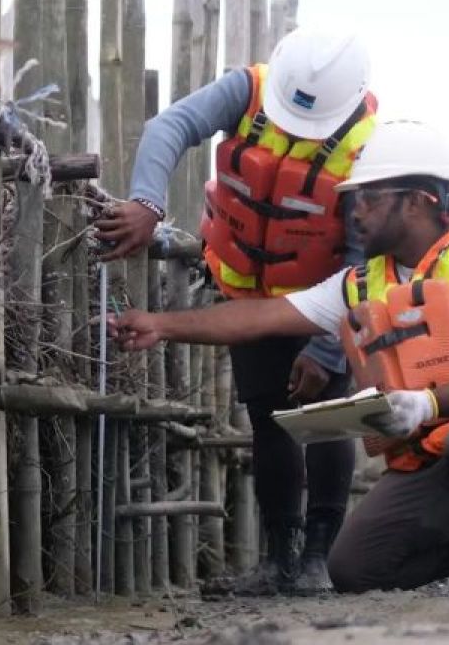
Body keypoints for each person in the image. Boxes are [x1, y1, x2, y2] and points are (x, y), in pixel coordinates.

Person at [109, 119, 449, 593]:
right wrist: (159, 325)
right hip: (436, 462)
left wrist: (427, 404)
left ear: (417, 201)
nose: (354, 212)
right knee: (356, 570)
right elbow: (261, 317)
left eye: (369, 198)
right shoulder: (361, 281)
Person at [96, 29, 379, 594]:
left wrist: (326, 346)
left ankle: (318, 559)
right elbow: (168, 127)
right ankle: (281, 558)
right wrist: (147, 202)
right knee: (267, 420)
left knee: (327, 417)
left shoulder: (370, 145)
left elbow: (362, 254)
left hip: (323, 300)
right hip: (248, 292)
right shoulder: (246, 90)